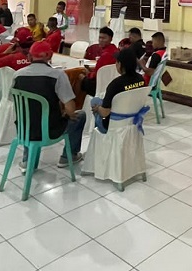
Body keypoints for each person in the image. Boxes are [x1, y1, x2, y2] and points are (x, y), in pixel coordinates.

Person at [12, 41, 85, 173]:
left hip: (24, 130)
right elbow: (71, 110)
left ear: (29, 56)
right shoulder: (58, 75)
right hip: (50, 130)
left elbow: (11, 99)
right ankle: (68, 157)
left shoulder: (17, 75)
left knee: (30, 114)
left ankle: (28, 160)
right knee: (80, 116)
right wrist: (65, 112)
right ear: (50, 56)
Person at [91, 49, 145, 133]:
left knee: (95, 101)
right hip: (133, 121)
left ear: (120, 64)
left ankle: (98, 135)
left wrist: (97, 108)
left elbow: (105, 113)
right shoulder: (141, 79)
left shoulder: (115, 84)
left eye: (116, 61)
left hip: (112, 126)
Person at [80, 27, 119, 96]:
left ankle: (79, 101)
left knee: (80, 76)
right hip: (111, 82)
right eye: (100, 38)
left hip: (99, 85)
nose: (101, 40)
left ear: (111, 39)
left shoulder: (105, 55)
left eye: (104, 38)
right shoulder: (115, 50)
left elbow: (96, 75)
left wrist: (88, 73)